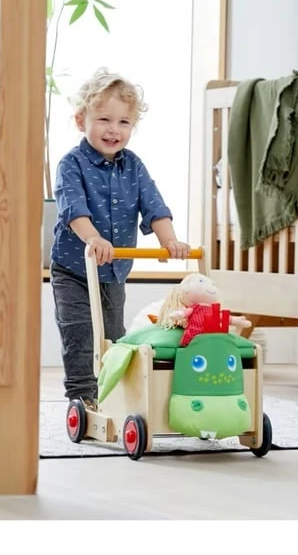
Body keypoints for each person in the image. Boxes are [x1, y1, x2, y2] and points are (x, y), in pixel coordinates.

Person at [50, 68, 190, 410]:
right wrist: (93, 238)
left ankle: (111, 393)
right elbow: (73, 209)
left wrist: (169, 240)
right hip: (73, 270)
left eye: (123, 122)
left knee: (114, 337)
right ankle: (81, 396)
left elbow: (154, 205)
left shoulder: (134, 167)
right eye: (104, 120)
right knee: (80, 332)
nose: (113, 129)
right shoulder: (71, 164)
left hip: (113, 272)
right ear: (81, 121)